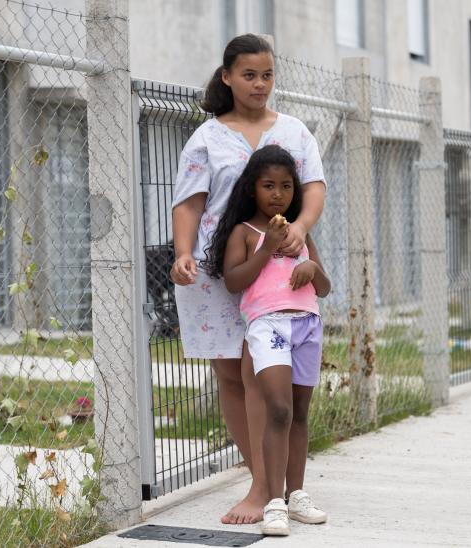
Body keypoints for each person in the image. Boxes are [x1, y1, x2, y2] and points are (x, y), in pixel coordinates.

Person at [170, 33, 326, 524]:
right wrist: (182, 253)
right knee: (229, 376)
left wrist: (299, 230)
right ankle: (263, 475)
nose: (259, 85)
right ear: (228, 78)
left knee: (257, 372)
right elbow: (190, 200)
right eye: (249, 75)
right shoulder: (207, 137)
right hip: (220, 270)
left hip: (273, 275)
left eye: (267, 75)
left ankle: (264, 490)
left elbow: (315, 189)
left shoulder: (296, 132)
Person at [203, 145, 330, 536]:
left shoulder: (300, 234)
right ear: (252, 189)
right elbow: (235, 281)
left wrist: (310, 265)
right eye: (268, 185)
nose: (278, 194)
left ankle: (297, 495)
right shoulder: (244, 232)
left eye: (287, 186)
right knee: (278, 409)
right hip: (268, 327)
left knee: (301, 413)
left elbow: (323, 287)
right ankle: (273, 501)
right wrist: (269, 245)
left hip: (307, 325)